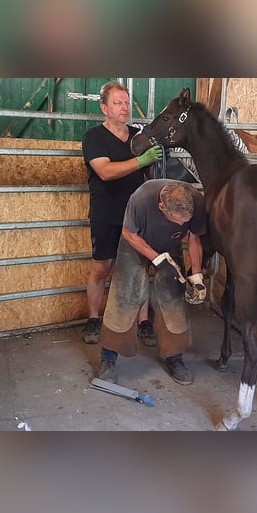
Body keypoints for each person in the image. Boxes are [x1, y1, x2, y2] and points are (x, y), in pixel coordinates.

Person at [97, 180, 208, 385]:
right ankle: (108, 358)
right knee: (124, 294)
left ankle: (174, 357)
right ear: (161, 207)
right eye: (178, 220)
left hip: (170, 244)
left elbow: (194, 239)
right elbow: (128, 233)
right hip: (135, 242)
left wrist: (197, 276)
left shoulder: (196, 200)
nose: (183, 224)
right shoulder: (140, 199)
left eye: (186, 221)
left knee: (173, 297)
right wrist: (157, 260)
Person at [81, 81, 163, 347]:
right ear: (104, 108)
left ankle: (143, 320)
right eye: (117, 103)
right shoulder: (93, 137)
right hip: (106, 211)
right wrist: (141, 161)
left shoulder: (139, 136)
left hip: (137, 215)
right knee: (102, 267)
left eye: (126, 102)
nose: (124, 107)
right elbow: (104, 172)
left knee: (140, 268)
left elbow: (152, 172)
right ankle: (94, 318)